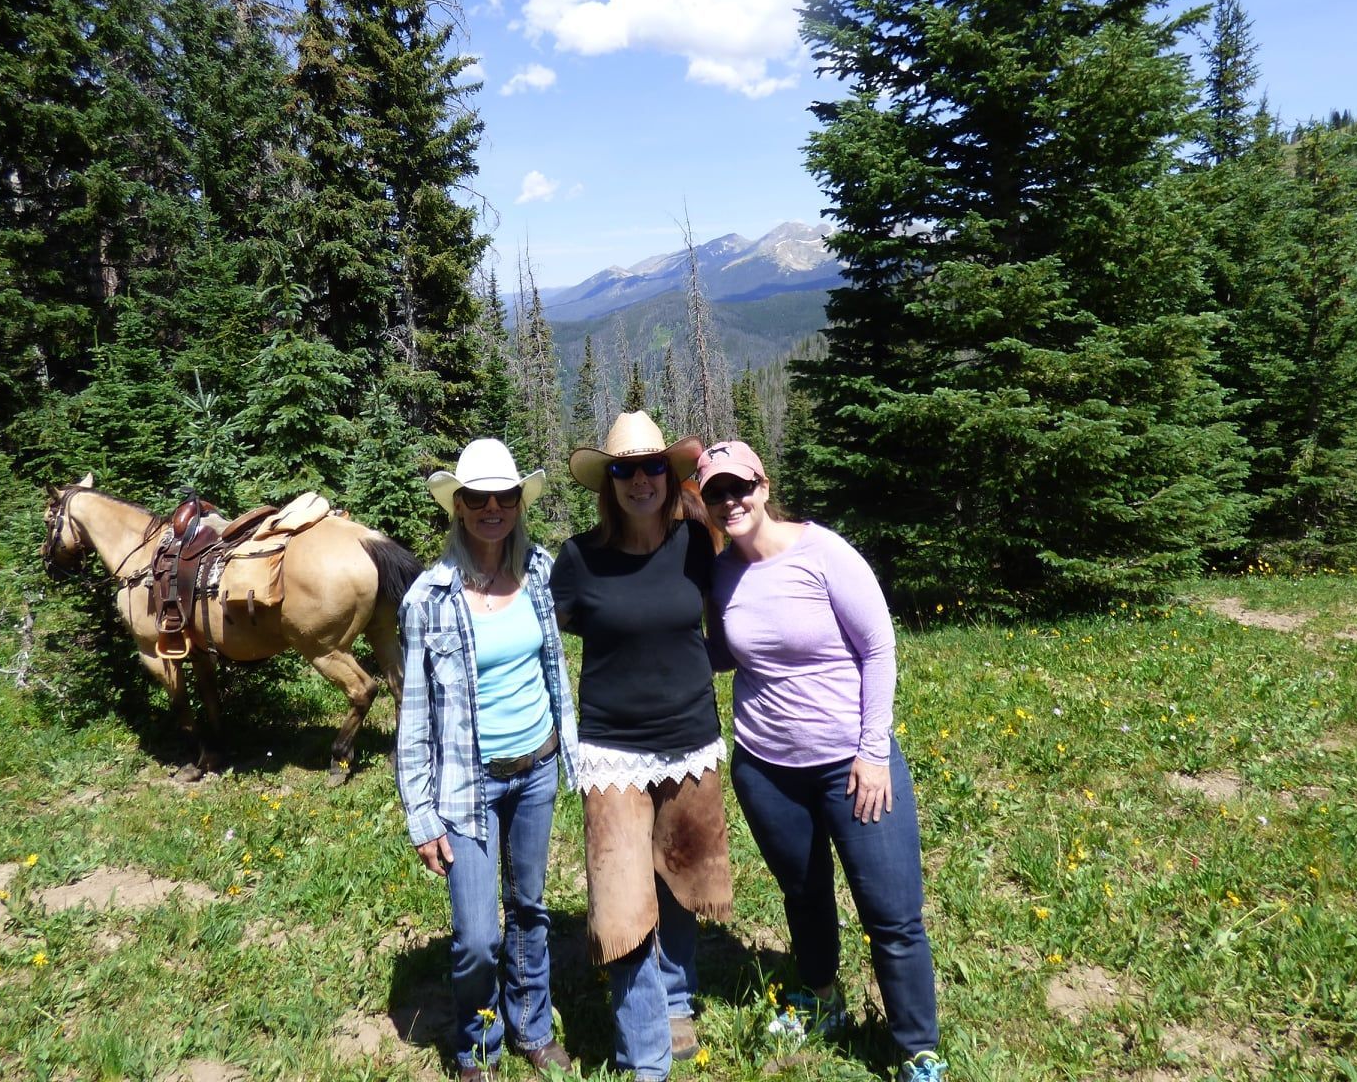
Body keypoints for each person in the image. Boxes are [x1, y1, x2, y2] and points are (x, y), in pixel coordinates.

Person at [696, 440, 947, 1082]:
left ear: (764, 484)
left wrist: (872, 752)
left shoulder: (822, 552)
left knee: (891, 911)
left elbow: (878, 647)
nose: (731, 501)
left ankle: (917, 1047)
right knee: (803, 892)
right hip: (765, 764)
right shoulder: (723, 572)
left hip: (850, 764)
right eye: (716, 492)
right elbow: (728, 656)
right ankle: (820, 995)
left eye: (740, 487)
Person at [550, 411, 733, 1081]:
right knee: (623, 904)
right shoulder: (578, 558)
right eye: (623, 470)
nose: (638, 480)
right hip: (612, 754)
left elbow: (737, 608)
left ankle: (677, 999)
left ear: (670, 474)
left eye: (651, 466)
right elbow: (547, 632)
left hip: (690, 741)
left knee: (681, 876)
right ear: (609, 483)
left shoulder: (698, 546)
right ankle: (644, 1058)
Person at [396, 438, 580, 1081]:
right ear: (460, 507)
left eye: (504, 497)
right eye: (479, 498)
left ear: (518, 504)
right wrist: (420, 814)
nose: (492, 508)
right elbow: (414, 715)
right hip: (464, 784)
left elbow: (560, 660)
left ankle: (531, 1025)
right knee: (477, 936)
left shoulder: (542, 571)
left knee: (529, 906)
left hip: (538, 767)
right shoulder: (429, 597)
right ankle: (479, 1040)